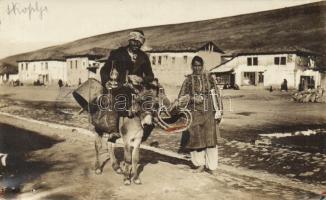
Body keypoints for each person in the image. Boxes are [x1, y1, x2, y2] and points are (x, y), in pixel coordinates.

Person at [99, 30, 155, 142]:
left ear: (142, 43)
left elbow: (150, 75)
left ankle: (146, 128)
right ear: (129, 40)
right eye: (134, 41)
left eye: (139, 42)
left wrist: (142, 79)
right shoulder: (117, 53)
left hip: (137, 88)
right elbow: (104, 70)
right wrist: (106, 82)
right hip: (118, 86)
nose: (136, 44)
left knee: (153, 99)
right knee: (115, 99)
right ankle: (113, 129)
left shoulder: (143, 56)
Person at [178, 56, 223, 173]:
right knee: (196, 138)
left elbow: (217, 94)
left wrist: (219, 111)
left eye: (199, 65)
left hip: (209, 111)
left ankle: (211, 166)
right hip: (195, 112)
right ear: (192, 66)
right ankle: (199, 165)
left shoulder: (210, 78)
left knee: (210, 138)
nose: (197, 68)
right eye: (195, 65)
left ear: (202, 66)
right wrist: (192, 98)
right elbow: (181, 98)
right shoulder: (188, 80)